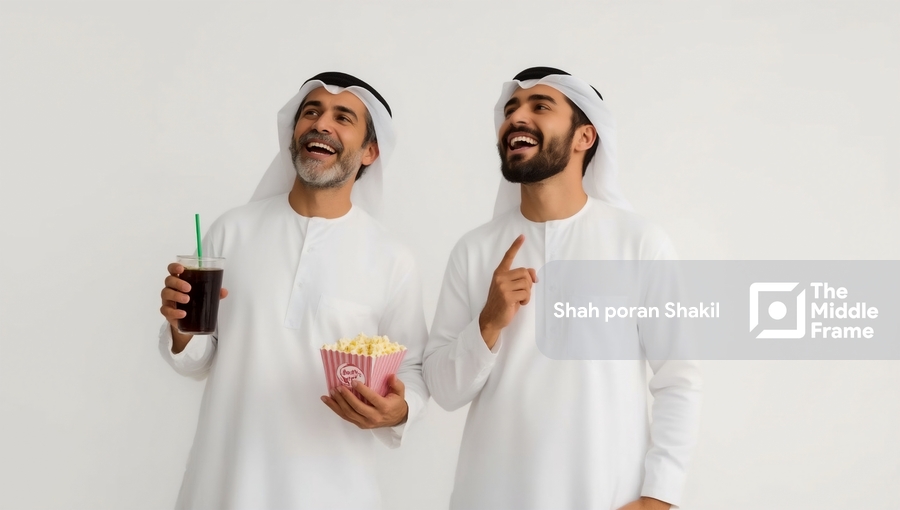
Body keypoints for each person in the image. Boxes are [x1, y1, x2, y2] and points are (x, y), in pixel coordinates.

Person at [423, 67, 702, 510]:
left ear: (584, 137)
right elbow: (443, 389)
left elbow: (678, 380)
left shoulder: (639, 242)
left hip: (605, 496)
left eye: (540, 106)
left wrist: (658, 497)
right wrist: (488, 324)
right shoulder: (475, 250)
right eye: (510, 108)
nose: (516, 117)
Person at [157, 72, 429, 509]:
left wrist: (402, 410)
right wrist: (180, 329)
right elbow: (197, 359)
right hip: (225, 484)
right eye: (311, 112)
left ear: (370, 152)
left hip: (334, 491)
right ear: (294, 134)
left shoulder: (393, 259)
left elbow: (412, 366)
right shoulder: (233, 231)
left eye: (343, 117)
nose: (322, 124)